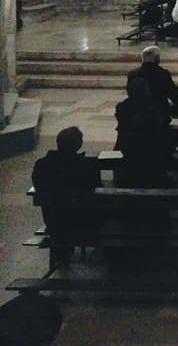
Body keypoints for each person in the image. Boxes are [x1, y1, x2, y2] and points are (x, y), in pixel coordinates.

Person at [31, 127, 102, 266]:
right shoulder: (86, 166)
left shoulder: (42, 165)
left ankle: (61, 253)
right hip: (84, 222)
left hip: (54, 221)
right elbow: (98, 191)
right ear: (79, 144)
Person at [114, 77, 170, 187]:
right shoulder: (155, 107)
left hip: (128, 148)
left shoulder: (122, 107)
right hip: (152, 148)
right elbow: (164, 122)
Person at [126, 45, 178, 120]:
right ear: (156, 58)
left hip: (138, 112)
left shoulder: (132, 74)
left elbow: (131, 93)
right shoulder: (162, 73)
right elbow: (171, 93)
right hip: (159, 112)